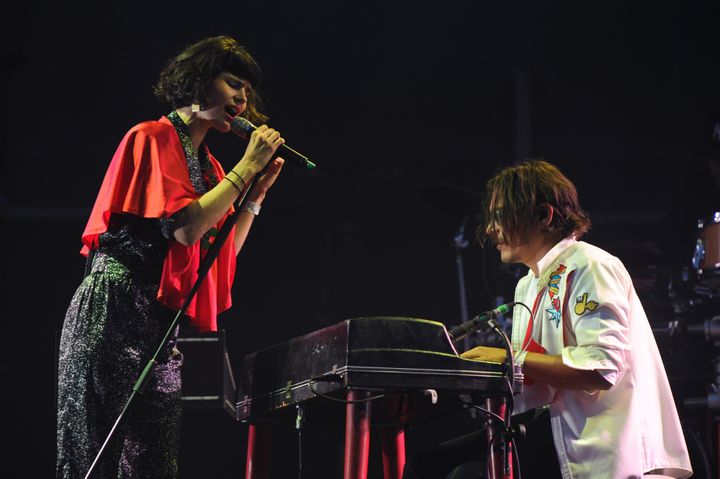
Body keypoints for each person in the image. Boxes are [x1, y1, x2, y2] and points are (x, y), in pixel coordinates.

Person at [56, 35, 286, 478]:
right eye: (232, 83)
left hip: (161, 333)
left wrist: (254, 195)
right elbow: (184, 229)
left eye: (247, 90)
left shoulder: (214, 170)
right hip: (114, 311)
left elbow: (219, 256)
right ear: (200, 82)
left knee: (154, 467)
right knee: (93, 459)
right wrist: (246, 169)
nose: (242, 97)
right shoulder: (152, 136)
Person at [404, 159, 693, 478]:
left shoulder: (591, 265)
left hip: (593, 438)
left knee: (463, 475)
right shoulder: (527, 283)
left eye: (500, 216)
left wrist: (507, 360)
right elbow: (527, 376)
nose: (490, 229)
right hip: (549, 427)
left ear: (544, 215)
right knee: (424, 466)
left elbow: (600, 368)